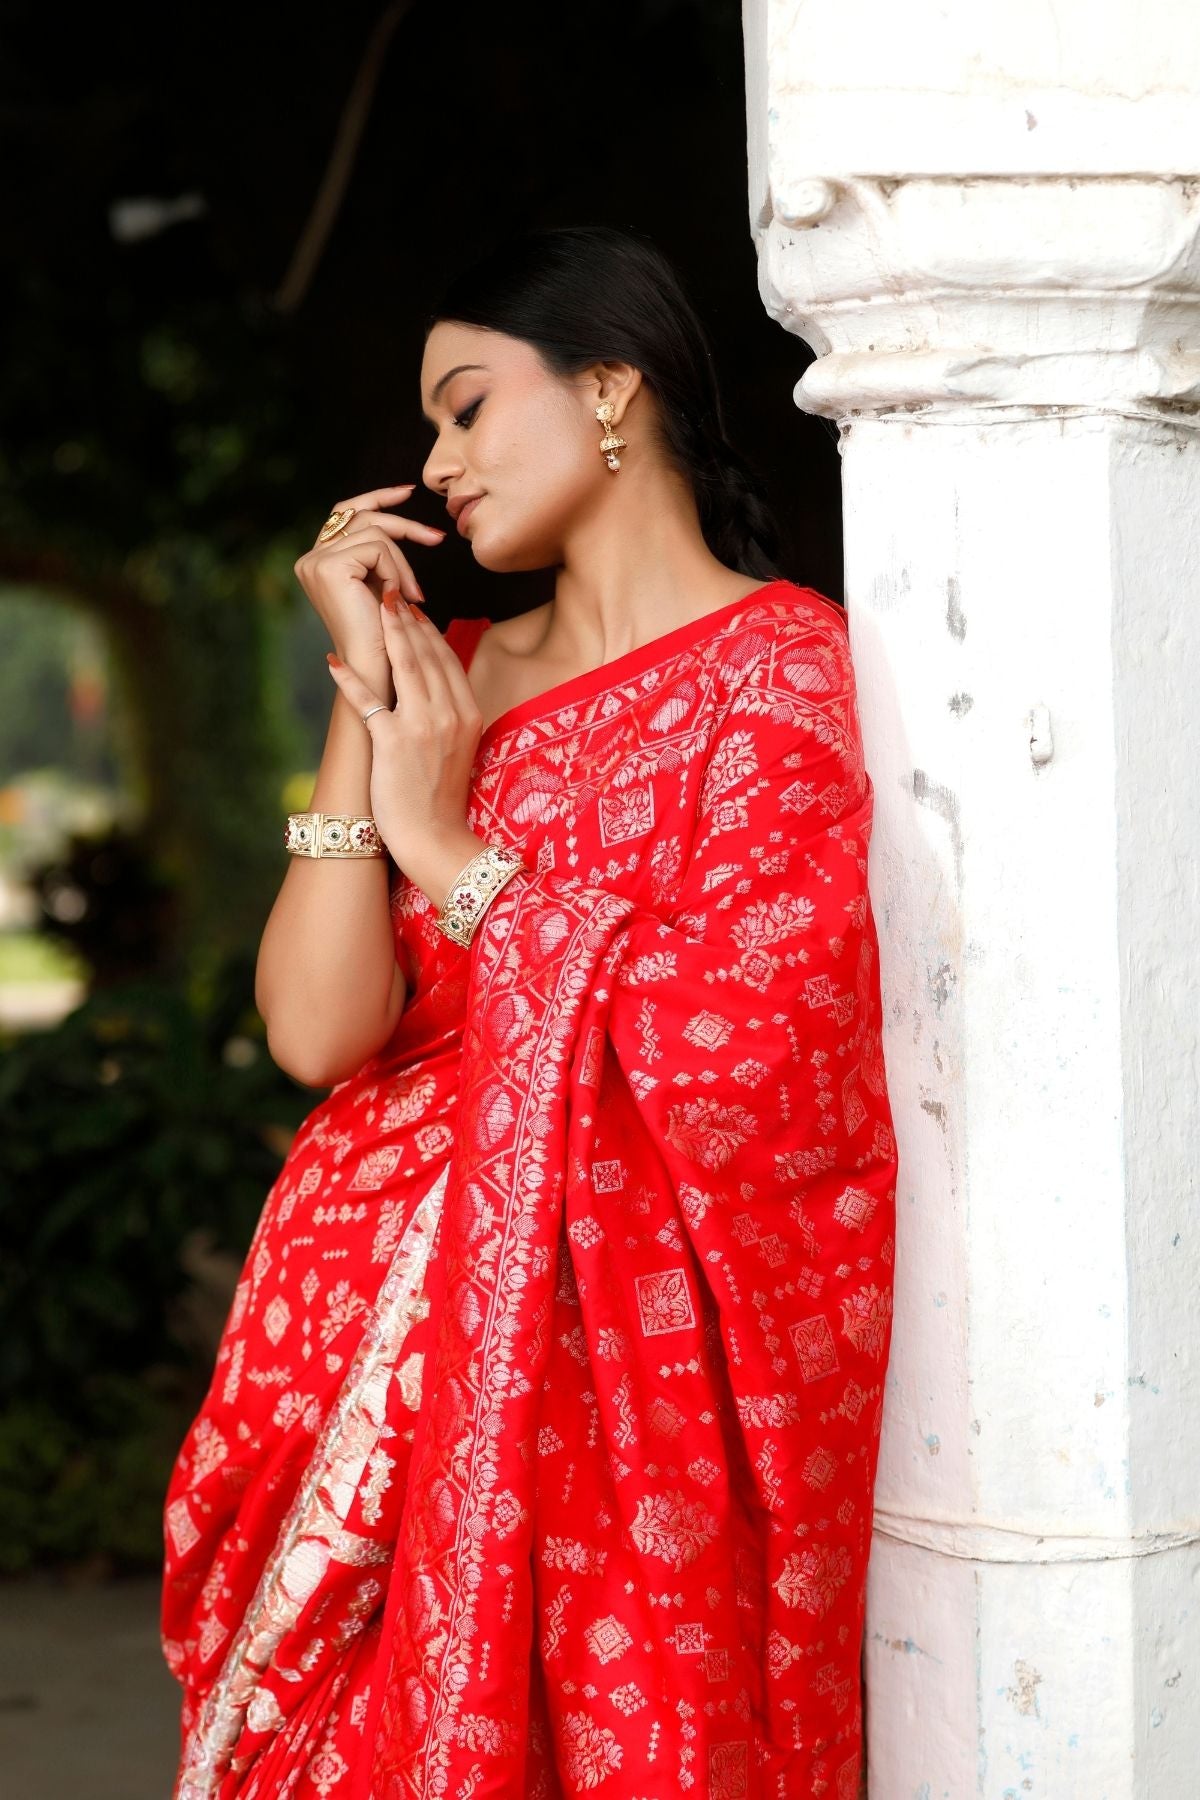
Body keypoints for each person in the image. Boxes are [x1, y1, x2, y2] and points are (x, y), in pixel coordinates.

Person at [161, 223, 898, 1800]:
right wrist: (370, 697)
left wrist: (456, 857)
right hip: (353, 1344)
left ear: (612, 388)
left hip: (599, 1368)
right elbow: (315, 1033)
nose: (437, 461)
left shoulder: (781, 671)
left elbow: (750, 1053)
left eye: (467, 406)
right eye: (433, 425)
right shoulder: (457, 671)